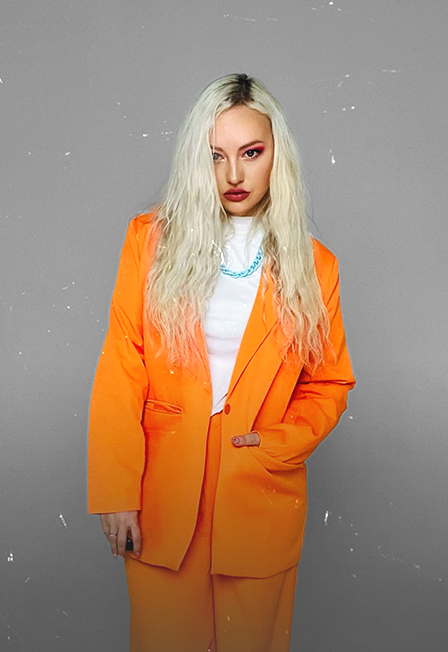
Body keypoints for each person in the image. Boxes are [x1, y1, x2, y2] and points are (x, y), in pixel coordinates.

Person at [87, 72, 355, 652]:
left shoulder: (316, 266)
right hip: (162, 492)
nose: (234, 174)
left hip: (257, 487)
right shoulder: (149, 240)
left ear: (276, 155)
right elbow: (122, 365)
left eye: (251, 153)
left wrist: (276, 445)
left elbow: (330, 381)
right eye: (216, 156)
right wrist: (115, 491)